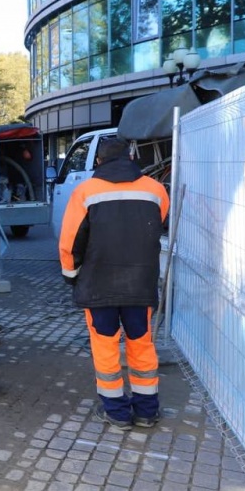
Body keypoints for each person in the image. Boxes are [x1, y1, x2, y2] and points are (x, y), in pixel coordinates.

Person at [59, 137, 169, 430]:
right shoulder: (156, 190)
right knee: (141, 345)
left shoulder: (84, 192)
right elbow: (158, 224)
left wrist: (71, 275)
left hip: (99, 286)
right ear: (131, 157)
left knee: (106, 347)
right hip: (140, 285)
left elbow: (70, 242)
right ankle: (147, 411)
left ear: (98, 162)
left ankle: (117, 412)